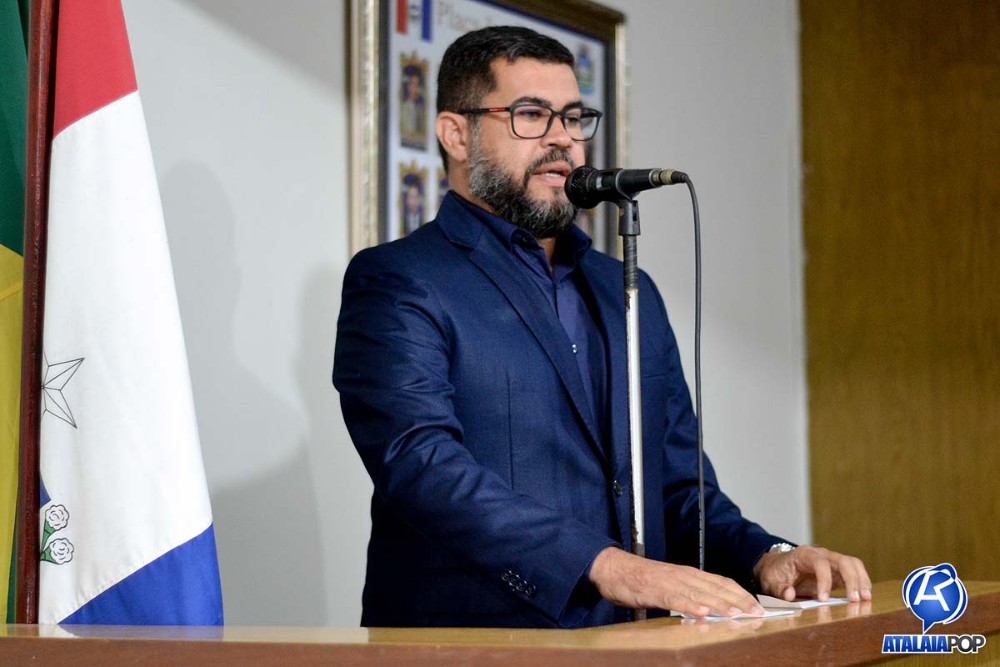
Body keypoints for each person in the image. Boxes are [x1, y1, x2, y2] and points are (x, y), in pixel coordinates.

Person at [333, 25, 871, 629]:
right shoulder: (400, 279)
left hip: (642, 644)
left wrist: (767, 555)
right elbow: (421, 466)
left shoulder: (627, 290)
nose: (563, 138)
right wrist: (605, 565)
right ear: (456, 134)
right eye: (531, 114)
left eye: (573, 117)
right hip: (476, 643)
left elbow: (679, 488)